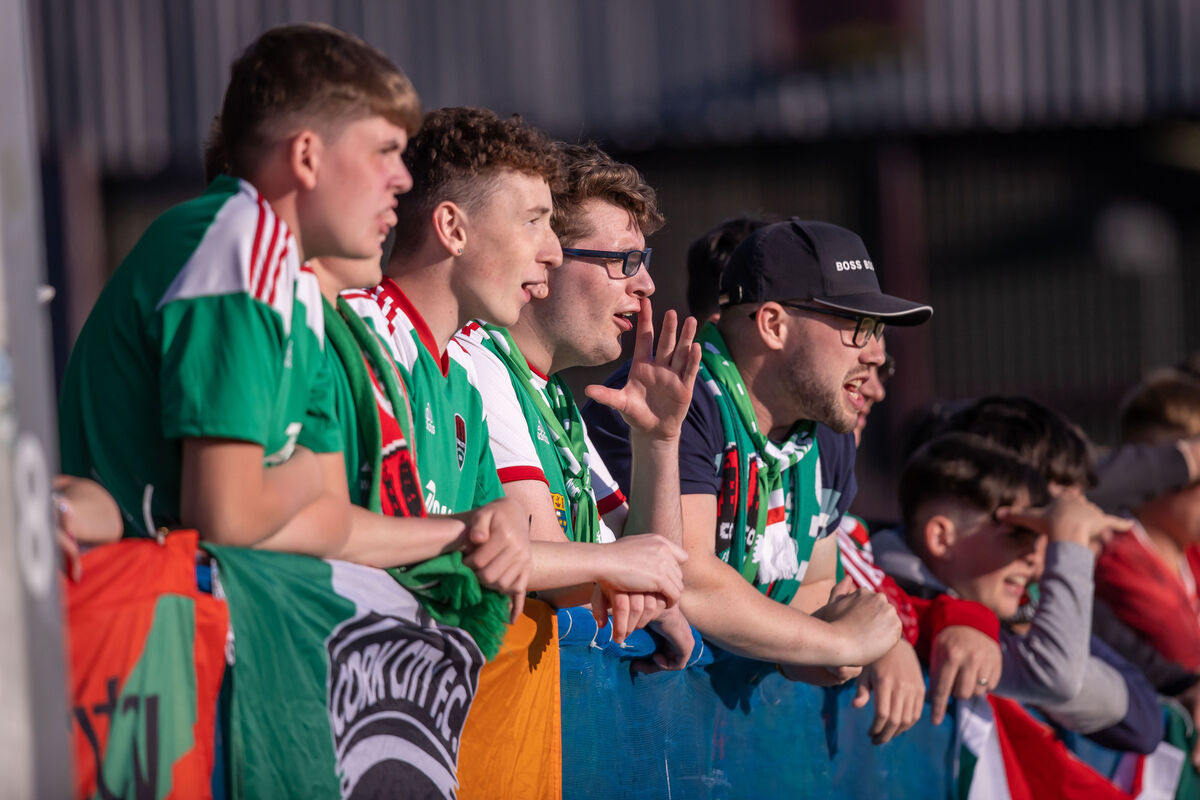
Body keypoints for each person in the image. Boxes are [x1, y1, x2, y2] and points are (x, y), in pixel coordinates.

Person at [59, 22, 417, 553]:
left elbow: (334, 521)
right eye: (384, 151)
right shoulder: (240, 241)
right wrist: (303, 474)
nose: (402, 178)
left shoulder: (294, 280)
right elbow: (227, 516)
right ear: (307, 157)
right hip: (144, 589)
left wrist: (271, 493)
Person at [587, 218, 926, 679]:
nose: (877, 354)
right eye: (857, 326)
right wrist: (837, 641)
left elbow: (815, 583)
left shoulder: (828, 432)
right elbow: (688, 578)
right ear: (773, 325)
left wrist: (826, 653)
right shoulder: (674, 396)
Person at [455, 141, 696, 665]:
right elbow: (558, 574)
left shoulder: (553, 394)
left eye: (644, 262)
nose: (646, 285)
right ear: (548, 261)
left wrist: (658, 439)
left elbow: (656, 564)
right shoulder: (475, 359)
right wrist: (634, 581)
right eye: (625, 261)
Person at [875, 432, 1159, 753]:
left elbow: (1144, 721)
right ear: (941, 538)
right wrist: (1071, 539)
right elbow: (1057, 676)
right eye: (1019, 533)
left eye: (1045, 535)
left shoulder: (976, 612)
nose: (1034, 557)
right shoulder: (928, 616)